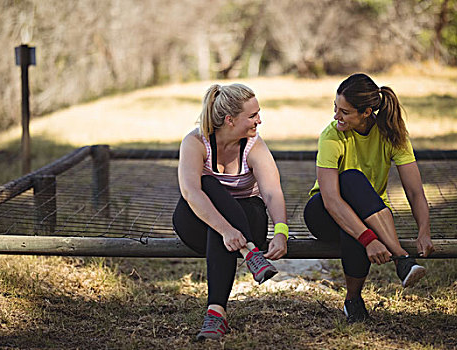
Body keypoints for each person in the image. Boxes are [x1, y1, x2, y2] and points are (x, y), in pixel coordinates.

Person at [303, 73, 435, 323]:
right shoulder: (331, 135)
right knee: (350, 179)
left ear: (366, 112)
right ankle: (401, 259)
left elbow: (415, 191)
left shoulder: (393, 134)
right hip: (323, 212)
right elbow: (331, 200)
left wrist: (424, 231)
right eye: (335, 108)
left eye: (345, 112)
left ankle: (353, 301)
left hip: (366, 213)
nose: (336, 116)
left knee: (356, 223)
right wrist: (369, 240)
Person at [172, 83, 289, 341]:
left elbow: (271, 192)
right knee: (206, 184)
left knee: (221, 230)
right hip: (201, 224)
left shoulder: (254, 145)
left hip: (249, 221)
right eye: (252, 115)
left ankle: (216, 314)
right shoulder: (195, 142)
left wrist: (281, 231)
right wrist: (227, 230)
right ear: (230, 120)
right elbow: (191, 193)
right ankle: (249, 253)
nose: (259, 119)